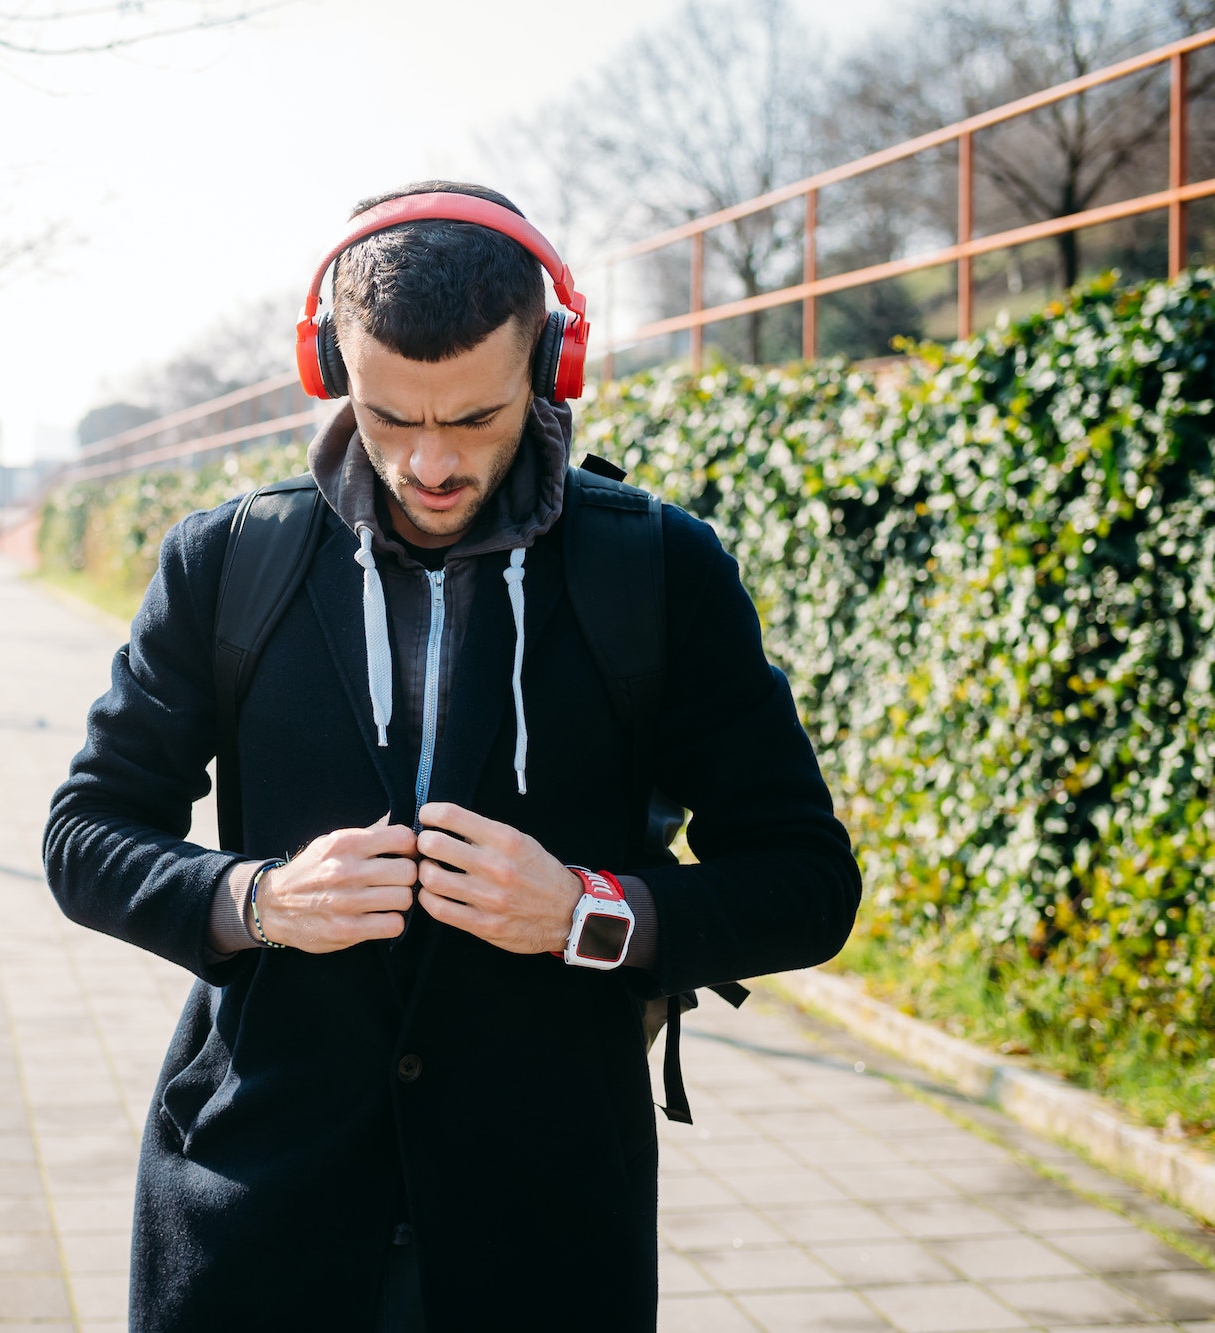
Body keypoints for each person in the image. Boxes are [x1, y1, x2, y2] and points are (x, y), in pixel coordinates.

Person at [42, 180, 861, 1332]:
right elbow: (82, 837)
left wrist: (587, 913)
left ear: (550, 366)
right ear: (329, 367)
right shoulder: (224, 562)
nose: (427, 462)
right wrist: (256, 898)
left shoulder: (661, 573)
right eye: (388, 415)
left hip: (544, 1232)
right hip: (250, 1218)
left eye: (474, 418)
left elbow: (807, 883)